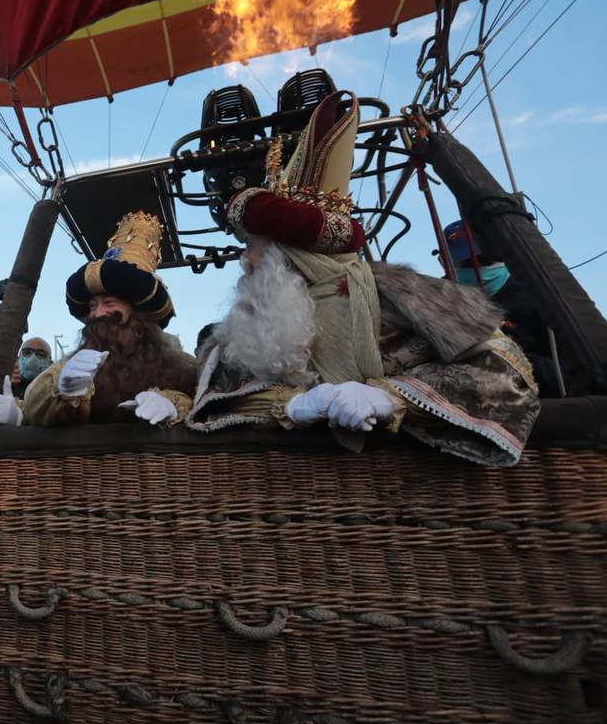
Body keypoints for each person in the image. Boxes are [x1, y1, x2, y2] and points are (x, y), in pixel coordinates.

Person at [188, 91, 540, 466]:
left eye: (254, 246)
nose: (246, 260)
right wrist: (290, 405)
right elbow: (218, 395)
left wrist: (392, 397)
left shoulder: (403, 296)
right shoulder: (255, 323)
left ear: (291, 256)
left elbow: (508, 374)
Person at [22, 212, 197, 426]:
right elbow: (32, 406)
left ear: (138, 314)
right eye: (93, 306)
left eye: (109, 303)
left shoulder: (181, 364)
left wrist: (173, 404)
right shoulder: (70, 365)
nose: (97, 314)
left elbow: (208, 407)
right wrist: (64, 393)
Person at [442, 220, 570, 396]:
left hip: (539, 402)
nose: (478, 268)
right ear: (446, 264)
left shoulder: (539, 298)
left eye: (484, 260)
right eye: (467, 263)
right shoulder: (439, 300)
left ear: (504, 257)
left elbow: (570, 373)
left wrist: (508, 360)